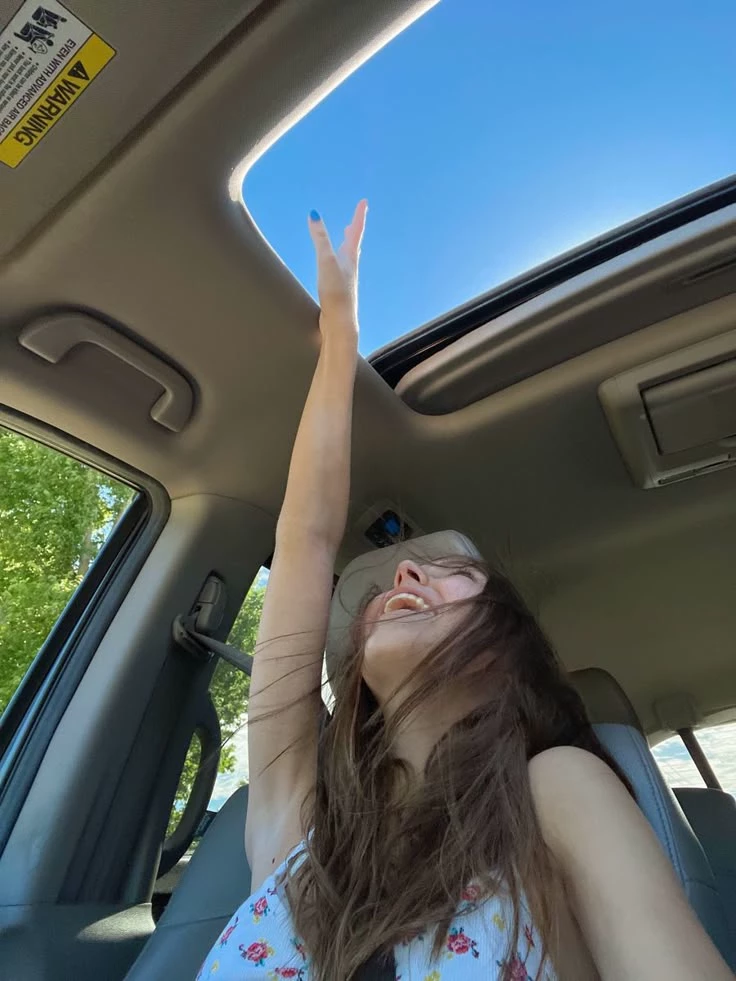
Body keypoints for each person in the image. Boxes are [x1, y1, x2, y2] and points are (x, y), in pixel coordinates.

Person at [196, 203, 733, 981]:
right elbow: (304, 540)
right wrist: (339, 339)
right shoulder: (297, 826)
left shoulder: (553, 791)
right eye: (397, 575)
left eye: (454, 574)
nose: (404, 573)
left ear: (508, 651)